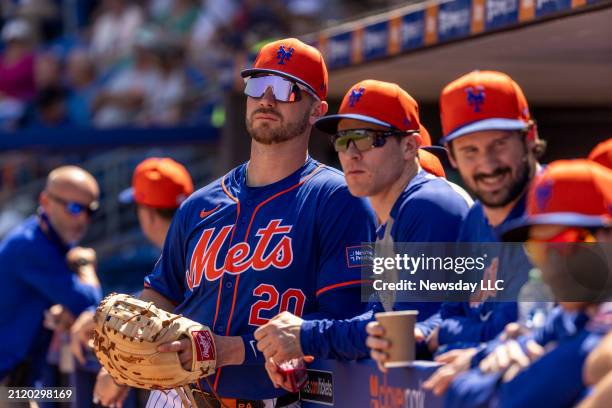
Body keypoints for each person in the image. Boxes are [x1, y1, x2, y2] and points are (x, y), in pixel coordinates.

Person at [140, 38, 376, 407]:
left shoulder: (337, 199)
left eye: (286, 89)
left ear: (317, 110)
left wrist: (236, 350)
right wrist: (144, 332)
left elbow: (345, 318)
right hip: (177, 396)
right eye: (257, 85)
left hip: (272, 399)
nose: (267, 98)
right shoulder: (200, 204)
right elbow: (162, 291)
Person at [254, 79, 472, 385]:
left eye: (367, 138)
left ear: (410, 146)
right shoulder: (388, 222)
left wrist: (306, 337)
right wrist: (302, 349)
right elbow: (374, 321)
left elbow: (403, 335)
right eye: (343, 140)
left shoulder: (429, 204)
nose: (351, 153)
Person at [442, 159, 612, 408]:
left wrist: (528, 372)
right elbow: (460, 392)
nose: (552, 265)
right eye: (538, 249)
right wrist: (506, 373)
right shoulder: (565, 318)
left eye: (566, 243)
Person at [416, 70, 546, 354]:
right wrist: (428, 332)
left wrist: (452, 337)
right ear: (451, 156)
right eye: (470, 150)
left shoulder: (560, 208)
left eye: (499, 144)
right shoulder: (475, 217)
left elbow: (519, 327)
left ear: (529, 137)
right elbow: (450, 311)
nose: (487, 165)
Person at [69, 157, 194, 408]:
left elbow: (161, 315)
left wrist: (118, 373)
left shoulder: (178, 256)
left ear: (147, 214)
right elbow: (159, 298)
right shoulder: (202, 248)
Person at [0, 166, 102, 386]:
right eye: (74, 208)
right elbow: (90, 302)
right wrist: (86, 265)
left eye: (90, 210)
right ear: (45, 201)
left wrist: (62, 310)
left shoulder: (51, 240)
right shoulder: (29, 245)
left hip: (21, 379)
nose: (82, 218)